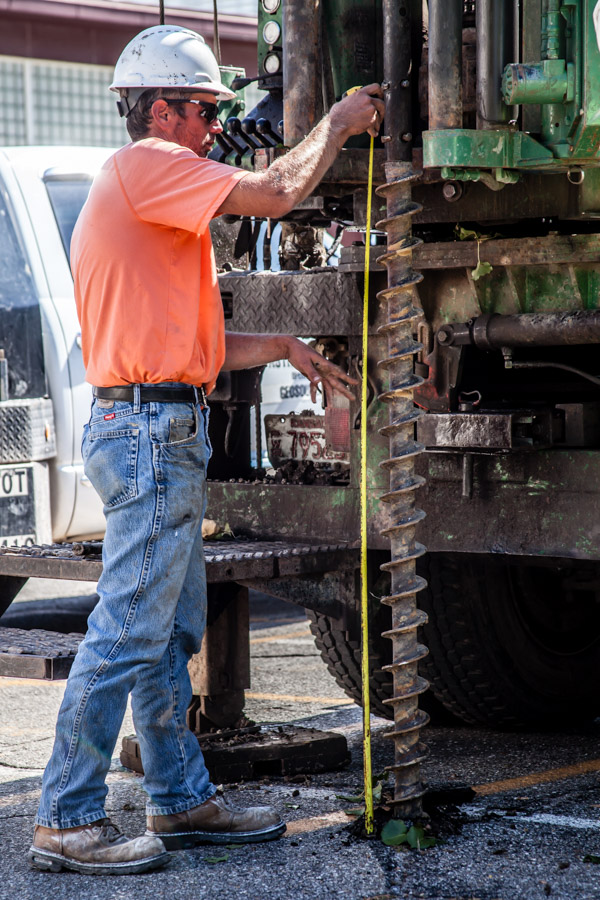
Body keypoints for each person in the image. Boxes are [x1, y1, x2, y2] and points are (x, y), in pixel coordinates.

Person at [29, 24, 384, 875]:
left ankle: (181, 801)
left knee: (167, 629)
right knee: (126, 629)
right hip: (151, 433)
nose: (212, 127)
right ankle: (65, 819)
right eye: (200, 109)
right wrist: (335, 124)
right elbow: (273, 193)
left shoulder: (145, 197)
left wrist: (286, 348)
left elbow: (198, 341)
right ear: (158, 110)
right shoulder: (150, 164)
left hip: (151, 425)